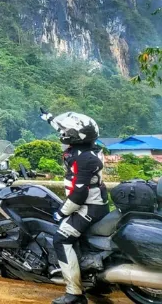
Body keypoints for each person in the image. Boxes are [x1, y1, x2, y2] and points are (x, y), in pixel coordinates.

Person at [41, 110, 107, 304]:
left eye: (66, 132)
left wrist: (61, 212)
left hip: (87, 207)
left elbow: (79, 195)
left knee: (61, 239)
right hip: (96, 204)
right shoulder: (90, 148)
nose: (63, 134)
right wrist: (50, 119)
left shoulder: (83, 158)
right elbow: (69, 131)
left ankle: (74, 293)